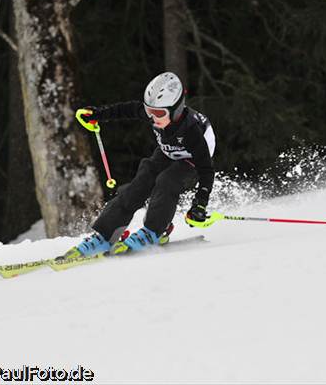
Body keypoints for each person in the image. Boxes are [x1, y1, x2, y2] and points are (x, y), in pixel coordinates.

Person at [68, 72, 216, 257]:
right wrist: (98, 114)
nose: (152, 117)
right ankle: (104, 235)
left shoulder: (191, 131)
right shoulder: (156, 114)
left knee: (167, 181)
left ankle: (154, 231)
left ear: (176, 110)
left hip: (192, 160)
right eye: (149, 111)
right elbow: (127, 109)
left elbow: (206, 170)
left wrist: (200, 204)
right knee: (140, 184)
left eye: (159, 113)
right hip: (168, 151)